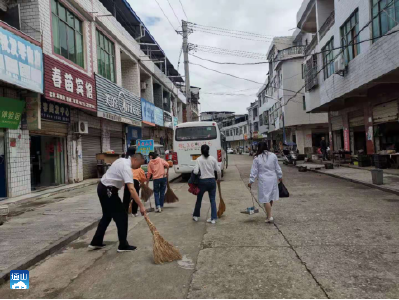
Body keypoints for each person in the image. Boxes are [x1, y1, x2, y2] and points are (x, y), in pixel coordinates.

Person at [89, 153, 146, 253]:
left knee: (107, 216)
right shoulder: (126, 167)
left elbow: (119, 178)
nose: (139, 167)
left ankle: (96, 242)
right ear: (135, 160)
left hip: (103, 187)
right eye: (140, 164)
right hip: (108, 191)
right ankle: (123, 245)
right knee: (122, 216)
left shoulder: (122, 160)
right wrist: (141, 206)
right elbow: (132, 189)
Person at [248, 142, 283, 224]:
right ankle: (268, 215)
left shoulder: (257, 158)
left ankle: (269, 216)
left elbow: (254, 171)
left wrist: (251, 181)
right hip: (273, 179)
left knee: (265, 198)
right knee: (270, 197)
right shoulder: (273, 155)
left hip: (264, 180)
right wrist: (280, 176)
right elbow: (277, 167)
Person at [192, 145, 222, 225]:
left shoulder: (199, 159)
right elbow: (218, 170)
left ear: (201, 151)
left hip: (202, 182)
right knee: (212, 199)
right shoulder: (212, 159)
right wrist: (218, 179)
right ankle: (213, 218)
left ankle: (196, 216)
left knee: (199, 199)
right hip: (212, 181)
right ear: (208, 151)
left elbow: (195, 171)